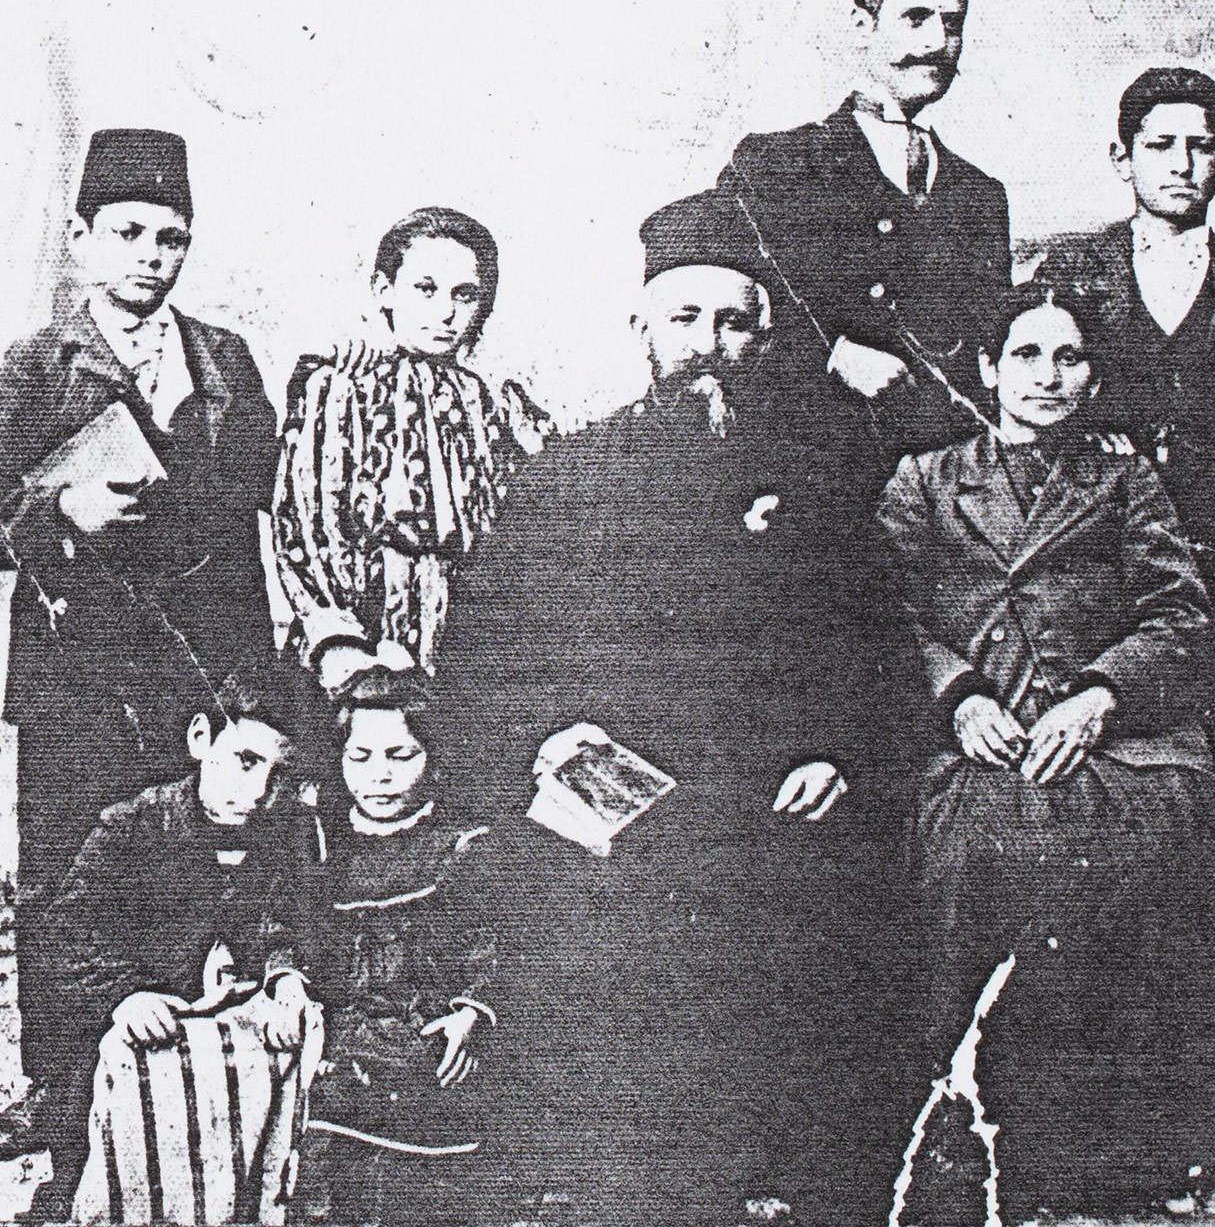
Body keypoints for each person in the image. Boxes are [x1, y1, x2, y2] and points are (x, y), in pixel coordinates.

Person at [429, 190, 917, 1225]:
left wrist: (838, 752)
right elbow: (484, 645)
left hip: (781, 796)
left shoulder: (822, 475)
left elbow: (878, 644)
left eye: (734, 322)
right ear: (643, 327)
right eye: (686, 319)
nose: (711, 345)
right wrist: (547, 738)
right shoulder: (569, 476)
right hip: (625, 805)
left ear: (764, 333)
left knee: (823, 928)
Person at [877, 287, 1215, 1219]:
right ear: (987, 369)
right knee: (978, 853)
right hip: (983, 735)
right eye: (1027, 356)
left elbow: (1179, 613)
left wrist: (1101, 696)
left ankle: (1142, 1143)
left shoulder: (1125, 481)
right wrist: (959, 697)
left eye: (1070, 358)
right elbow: (887, 612)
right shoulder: (924, 478)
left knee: (1170, 841)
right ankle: (991, 1134)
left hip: (1115, 735)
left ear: (1095, 376)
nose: (1049, 378)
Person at [0, 129, 281, 1157]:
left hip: (199, 666)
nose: (150, 255)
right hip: (78, 673)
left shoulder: (224, 360)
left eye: (171, 237)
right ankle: (58, 1097)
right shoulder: (40, 364)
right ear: (80, 238)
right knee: (63, 876)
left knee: (188, 861)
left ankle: (175, 1093)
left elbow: (254, 508)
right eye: (128, 233)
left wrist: (246, 682)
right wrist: (67, 512)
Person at [1033, 69, 1215, 932]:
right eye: (1160, 146)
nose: (1180, 164)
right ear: (1121, 159)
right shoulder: (1075, 271)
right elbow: (1040, 410)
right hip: (1105, 566)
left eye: (1201, 148)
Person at [715, 0, 1012, 487]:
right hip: (810, 485)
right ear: (862, 24)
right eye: (915, 19)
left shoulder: (981, 196)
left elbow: (989, 353)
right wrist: (828, 355)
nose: (936, 43)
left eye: (952, 25)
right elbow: (721, 318)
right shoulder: (776, 165)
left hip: (947, 496)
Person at [38, 665, 319, 1221]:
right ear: (200, 739)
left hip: (236, 1031)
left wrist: (286, 979)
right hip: (146, 1025)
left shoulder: (288, 833)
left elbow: (292, 921)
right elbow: (62, 933)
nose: (261, 790)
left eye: (279, 772)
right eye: (245, 761)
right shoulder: (133, 828)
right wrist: (123, 995)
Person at [272, 207, 549, 692]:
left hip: (471, 648)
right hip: (363, 641)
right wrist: (340, 643)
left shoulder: (490, 403)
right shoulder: (341, 386)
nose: (446, 311)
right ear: (385, 291)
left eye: (464, 295)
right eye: (426, 289)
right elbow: (306, 521)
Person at [296, 668, 501, 1226]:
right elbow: (288, 930)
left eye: (400, 755)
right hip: (342, 1057)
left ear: (432, 758)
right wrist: (286, 979)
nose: (379, 776)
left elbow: (491, 946)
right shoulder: (323, 850)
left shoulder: (460, 849)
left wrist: (470, 1014)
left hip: (425, 1056)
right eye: (359, 757)